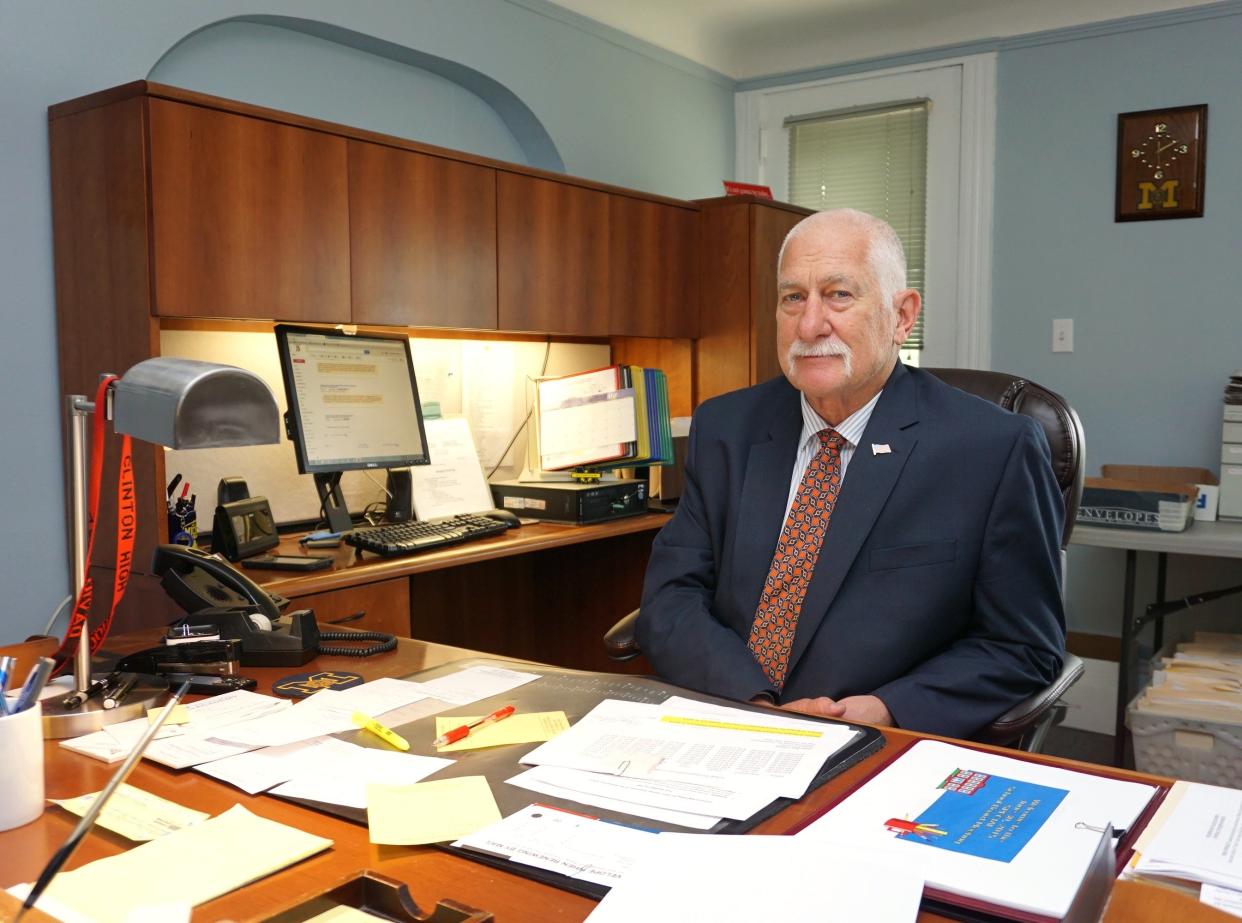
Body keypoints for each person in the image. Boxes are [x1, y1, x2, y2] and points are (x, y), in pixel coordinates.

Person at [636, 208, 1065, 739]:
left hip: (876, 743)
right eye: (793, 297)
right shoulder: (726, 427)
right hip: (730, 718)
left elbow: (1022, 647)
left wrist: (888, 709)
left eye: (839, 294)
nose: (811, 324)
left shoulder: (991, 448)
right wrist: (755, 700)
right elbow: (671, 597)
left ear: (902, 316)